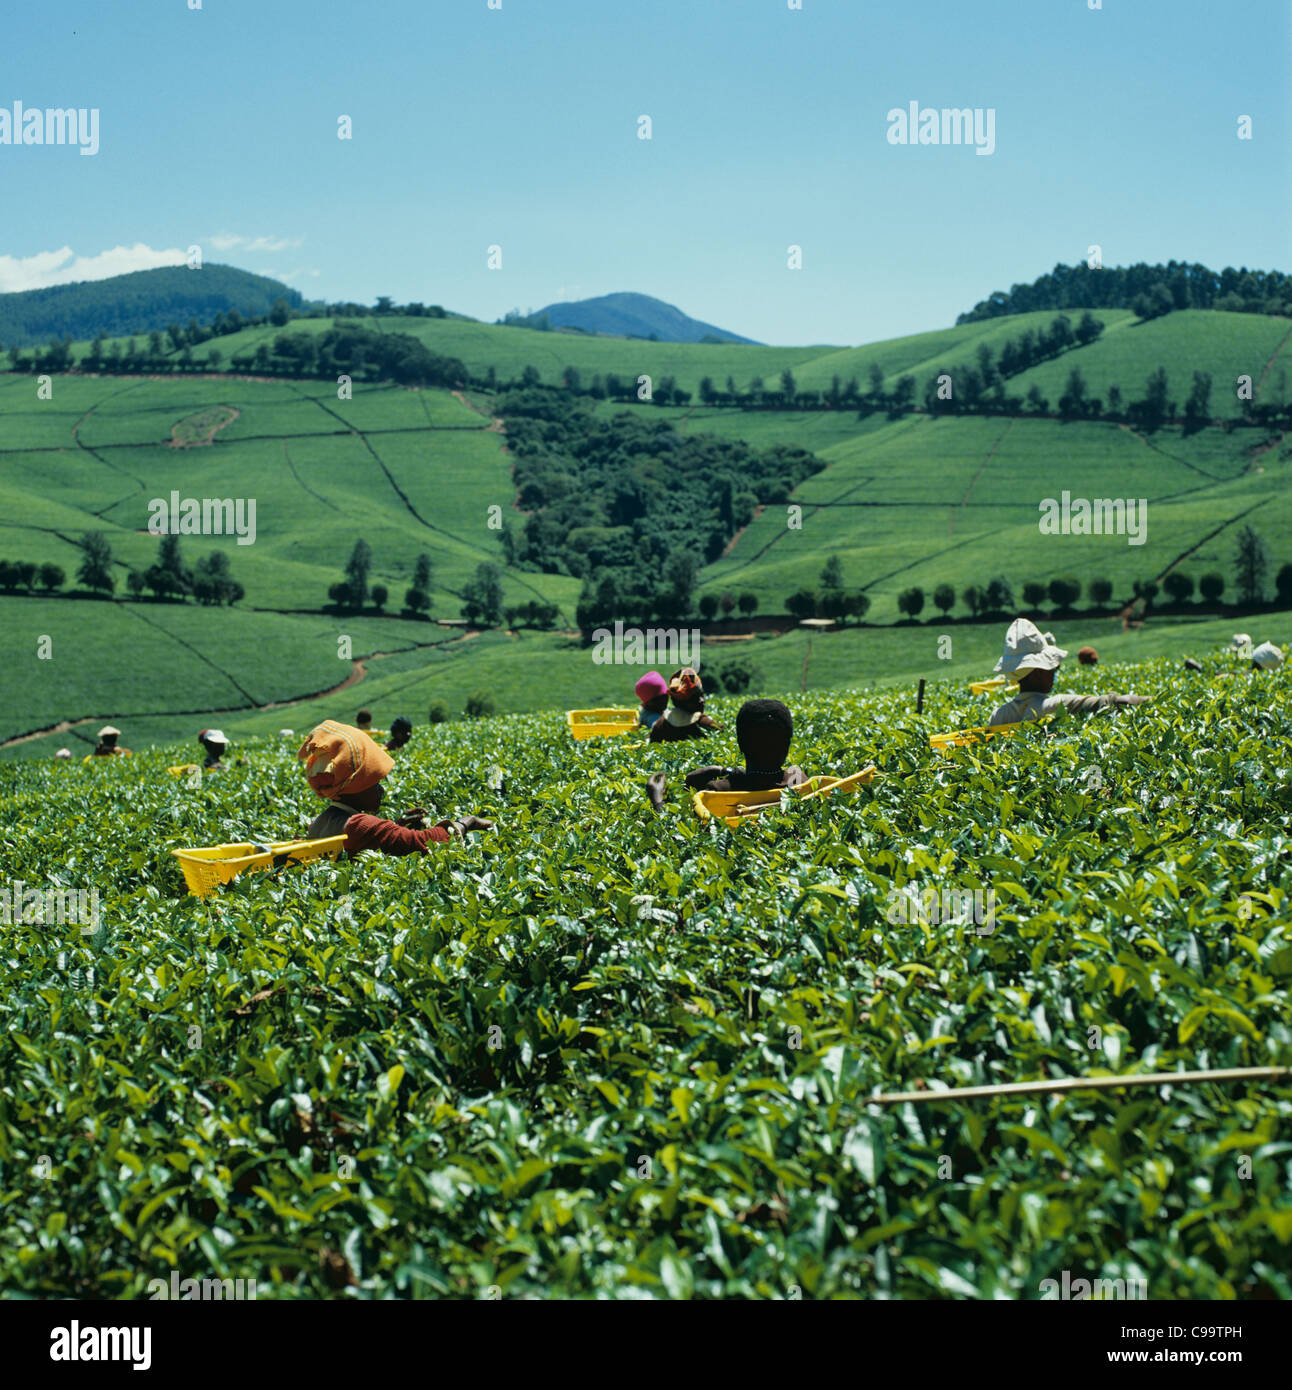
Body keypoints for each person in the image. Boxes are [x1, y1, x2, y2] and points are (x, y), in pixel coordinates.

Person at [298, 720, 492, 856]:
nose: (381, 789)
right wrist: (467, 822)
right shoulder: (359, 826)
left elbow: (374, 839)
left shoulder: (319, 822)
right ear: (355, 786)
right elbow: (425, 842)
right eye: (374, 783)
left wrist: (396, 827)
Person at [647, 698, 804, 810]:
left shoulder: (718, 791)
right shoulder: (797, 778)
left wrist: (657, 799)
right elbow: (763, 780)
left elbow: (674, 829)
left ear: (740, 744)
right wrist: (727, 771)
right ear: (787, 745)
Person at [988, 619, 1149, 727]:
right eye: (1052, 667)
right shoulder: (1057, 705)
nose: (1054, 671)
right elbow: (1114, 703)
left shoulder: (997, 716)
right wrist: (1155, 700)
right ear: (1038, 671)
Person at [649, 667, 722, 743]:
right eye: (696, 697)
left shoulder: (661, 723)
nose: (702, 700)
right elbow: (724, 733)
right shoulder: (702, 723)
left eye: (702, 695)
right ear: (682, 701)